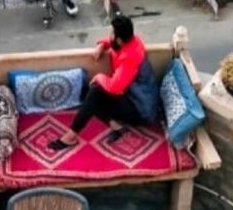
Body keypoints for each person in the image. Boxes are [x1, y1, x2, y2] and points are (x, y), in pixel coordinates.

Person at [49, 15, 158, 151]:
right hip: (131, 96)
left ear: (119, 40)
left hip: (140, 109)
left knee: (95, 92)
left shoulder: (130, 58)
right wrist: (102, 44)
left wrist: (100, 76)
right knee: (91, 92)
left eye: (112, 33)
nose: (109, 35)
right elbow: (113, 44)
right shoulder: (131, 41)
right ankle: (116, 127)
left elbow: (114, 86)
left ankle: (70, 136)